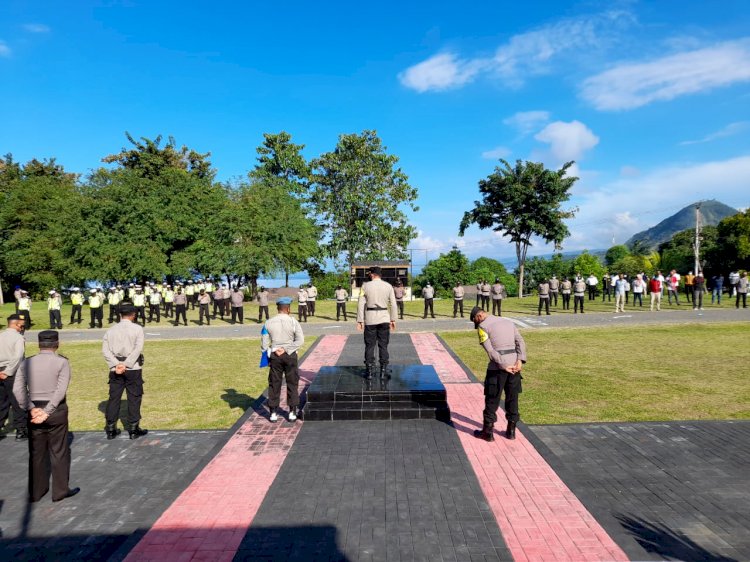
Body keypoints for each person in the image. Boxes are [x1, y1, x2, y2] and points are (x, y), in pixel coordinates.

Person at [14, 330, 79, 502]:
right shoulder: (62, 362)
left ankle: (36, 491)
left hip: (34, 410)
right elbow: (60, 390)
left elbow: (17, 389)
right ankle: (60, 491)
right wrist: (47, 411)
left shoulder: (26, 363)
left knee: (36, 453)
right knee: (59, 452)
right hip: (55, 410)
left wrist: (31, 408)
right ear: (57, 344)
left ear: (38, 344)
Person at [470, 306, 526, 441]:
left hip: (497, 369)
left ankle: (488, 433)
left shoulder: (482, 327)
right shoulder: (508, 322)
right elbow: (520, 341)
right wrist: (520, 360)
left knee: (492, 399)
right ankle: (511, 431)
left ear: (478, 317)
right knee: (513, 398)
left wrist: (502, 365)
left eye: (476, 322)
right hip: (515, 366)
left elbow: (490, 351)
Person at [102, 304, 147, 439]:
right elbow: (138, 349)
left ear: (120, 315)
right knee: (134, 397)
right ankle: (133, 428)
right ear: (133, 315)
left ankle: (111, 428)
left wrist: (117, 364)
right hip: (132, 367)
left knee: (114, 397)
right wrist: (126, 364)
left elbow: (105, 350)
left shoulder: (111, 330)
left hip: (116, 368)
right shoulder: (137, 329)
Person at [261, 297, 305, 423]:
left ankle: (273, 412)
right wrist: (286, 349)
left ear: (277, 308)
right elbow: (300, 340)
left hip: (275, 355)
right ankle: (292, 411)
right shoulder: (293, 322)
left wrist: (272, 350)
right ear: (288, 309)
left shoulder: (268, 322)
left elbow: (264, 343)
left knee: (274, 383)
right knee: (292, 382)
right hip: (290, 355)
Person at [357, 266, 398, 380]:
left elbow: (361, 303)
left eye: (370, 273)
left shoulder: (365, 286)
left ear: (373, 274)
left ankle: (369, 371)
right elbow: (393, 304)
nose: (369, 275)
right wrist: (393, 319)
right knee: (383, 345)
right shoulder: (388, 286)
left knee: (370, 345)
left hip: (370, 318)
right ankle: (383, 372)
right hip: (384, 317)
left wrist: (360, 320)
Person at [0, 314, 28, 440]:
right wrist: (8, 372)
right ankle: (21, 430)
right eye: (22, 325)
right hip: (13, 372)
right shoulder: (18, 338)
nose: (23, 327)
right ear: (17, 324)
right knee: (18, 402)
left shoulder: (1, 335)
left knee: (2, 402)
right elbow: (17, 357)